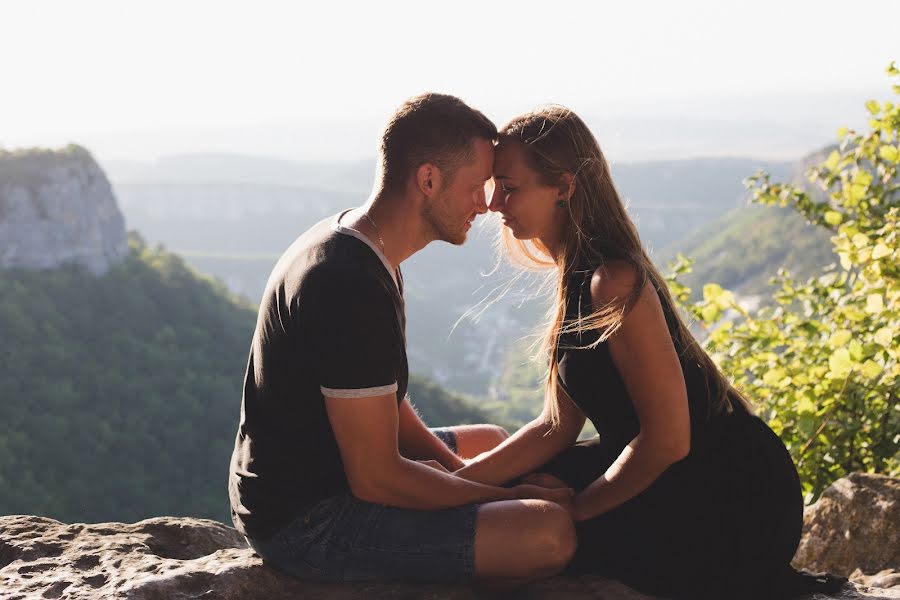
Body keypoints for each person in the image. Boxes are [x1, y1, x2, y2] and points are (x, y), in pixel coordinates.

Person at [454, 105, 846, 599]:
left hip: (728, 499)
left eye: (509, 186)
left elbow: (669, 441)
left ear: (564, 187)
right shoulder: (577, 277)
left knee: (521, 528)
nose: (494, 203)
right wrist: (457, 484)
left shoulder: (612, 281)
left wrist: (573, 507)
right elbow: (556, 426)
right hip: (663, 474)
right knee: (511, 500)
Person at [227, 93, 576, 584]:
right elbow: (376, 479)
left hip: (327, 472)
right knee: (546, 532)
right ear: (428, 180)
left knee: (491, 443)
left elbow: (386, 403)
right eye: (477, 186)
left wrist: (459, 473)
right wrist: (499, 498)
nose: (486, 204)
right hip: (308, 519)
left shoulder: (364, 244)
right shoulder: (347, 284)